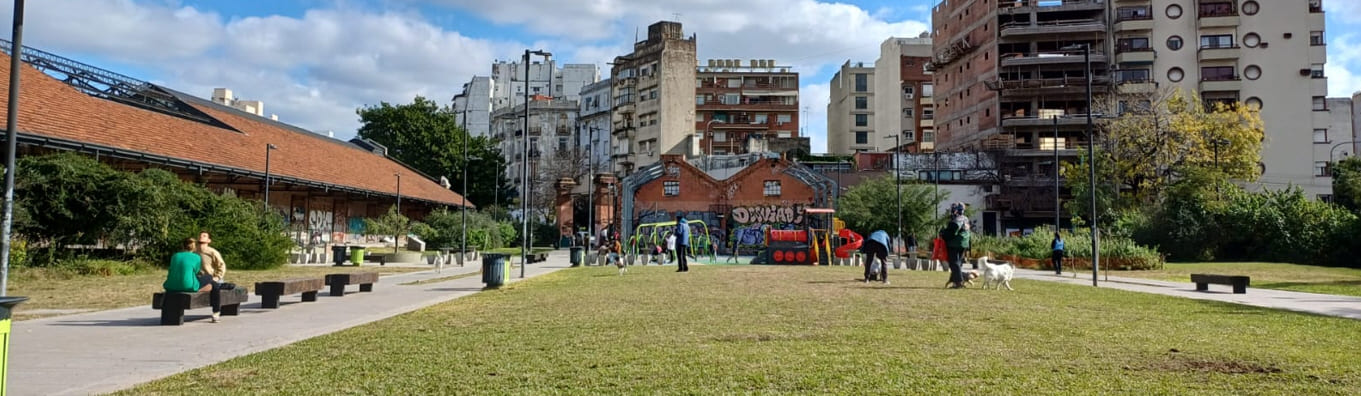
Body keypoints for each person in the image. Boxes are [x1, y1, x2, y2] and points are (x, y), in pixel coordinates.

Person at [163, 238, 223, 322]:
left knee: (211, 282)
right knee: (209, 278)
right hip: (188, 286)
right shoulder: (196, 257)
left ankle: (216, 311)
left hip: (170, 285)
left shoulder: (175, 256)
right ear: (194, 247)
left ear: (182, 246)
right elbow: (197, 271)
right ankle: (216, 313)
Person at [941, 205, 971, 289]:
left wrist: (943, 233)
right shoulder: (965, 218)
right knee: (958, 263)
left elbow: (951, 233)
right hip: (964, 243)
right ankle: (956, 280)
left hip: (955, 243)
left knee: (954, 263)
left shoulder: (955, 221)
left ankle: (959, 281)